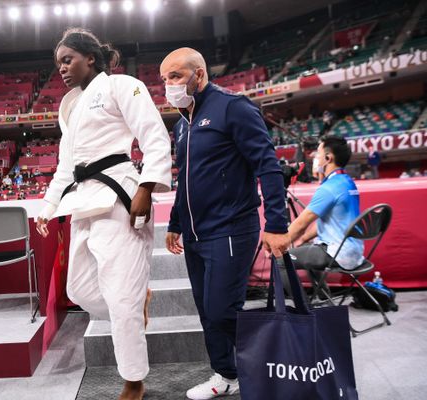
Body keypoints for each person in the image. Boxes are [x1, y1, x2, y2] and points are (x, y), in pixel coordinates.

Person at [36, 28, 171, 400]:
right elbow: (66, 166)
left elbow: (154, 135)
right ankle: (136, 299)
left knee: (121, 297)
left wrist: (147, 186)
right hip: (81, 200)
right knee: (78, 288)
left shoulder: (121, 85)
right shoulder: (69, 105)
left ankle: (133, 381)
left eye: (68, 60)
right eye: (58, 63)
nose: (61, 68)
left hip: (119, 198)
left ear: (90, 58)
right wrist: (48, 207)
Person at [161, 48, 290, 400]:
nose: (168, 85)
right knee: (207, 312)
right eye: (164, 80)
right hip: (195, 233)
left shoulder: (233, 108)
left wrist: (277, 224)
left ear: (198, 75)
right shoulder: (183, 125)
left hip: (231, 228)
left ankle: (273, 363)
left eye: (175, 76)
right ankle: (226, 374)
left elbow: (268, 165)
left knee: (222, 310)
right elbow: (185, 179)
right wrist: (175, 222)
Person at [286, 135, 363, 297]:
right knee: (307, 249)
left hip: (338, 253)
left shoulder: (328, 188)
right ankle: (324, 298)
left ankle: (303, 309)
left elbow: (300, 224)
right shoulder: (348, 182)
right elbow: (326, 223)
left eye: (318, 154)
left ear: (328, 158)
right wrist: (303, 239)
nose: (315, 157)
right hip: (356, 252)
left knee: (280, 260)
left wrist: (279, 243)